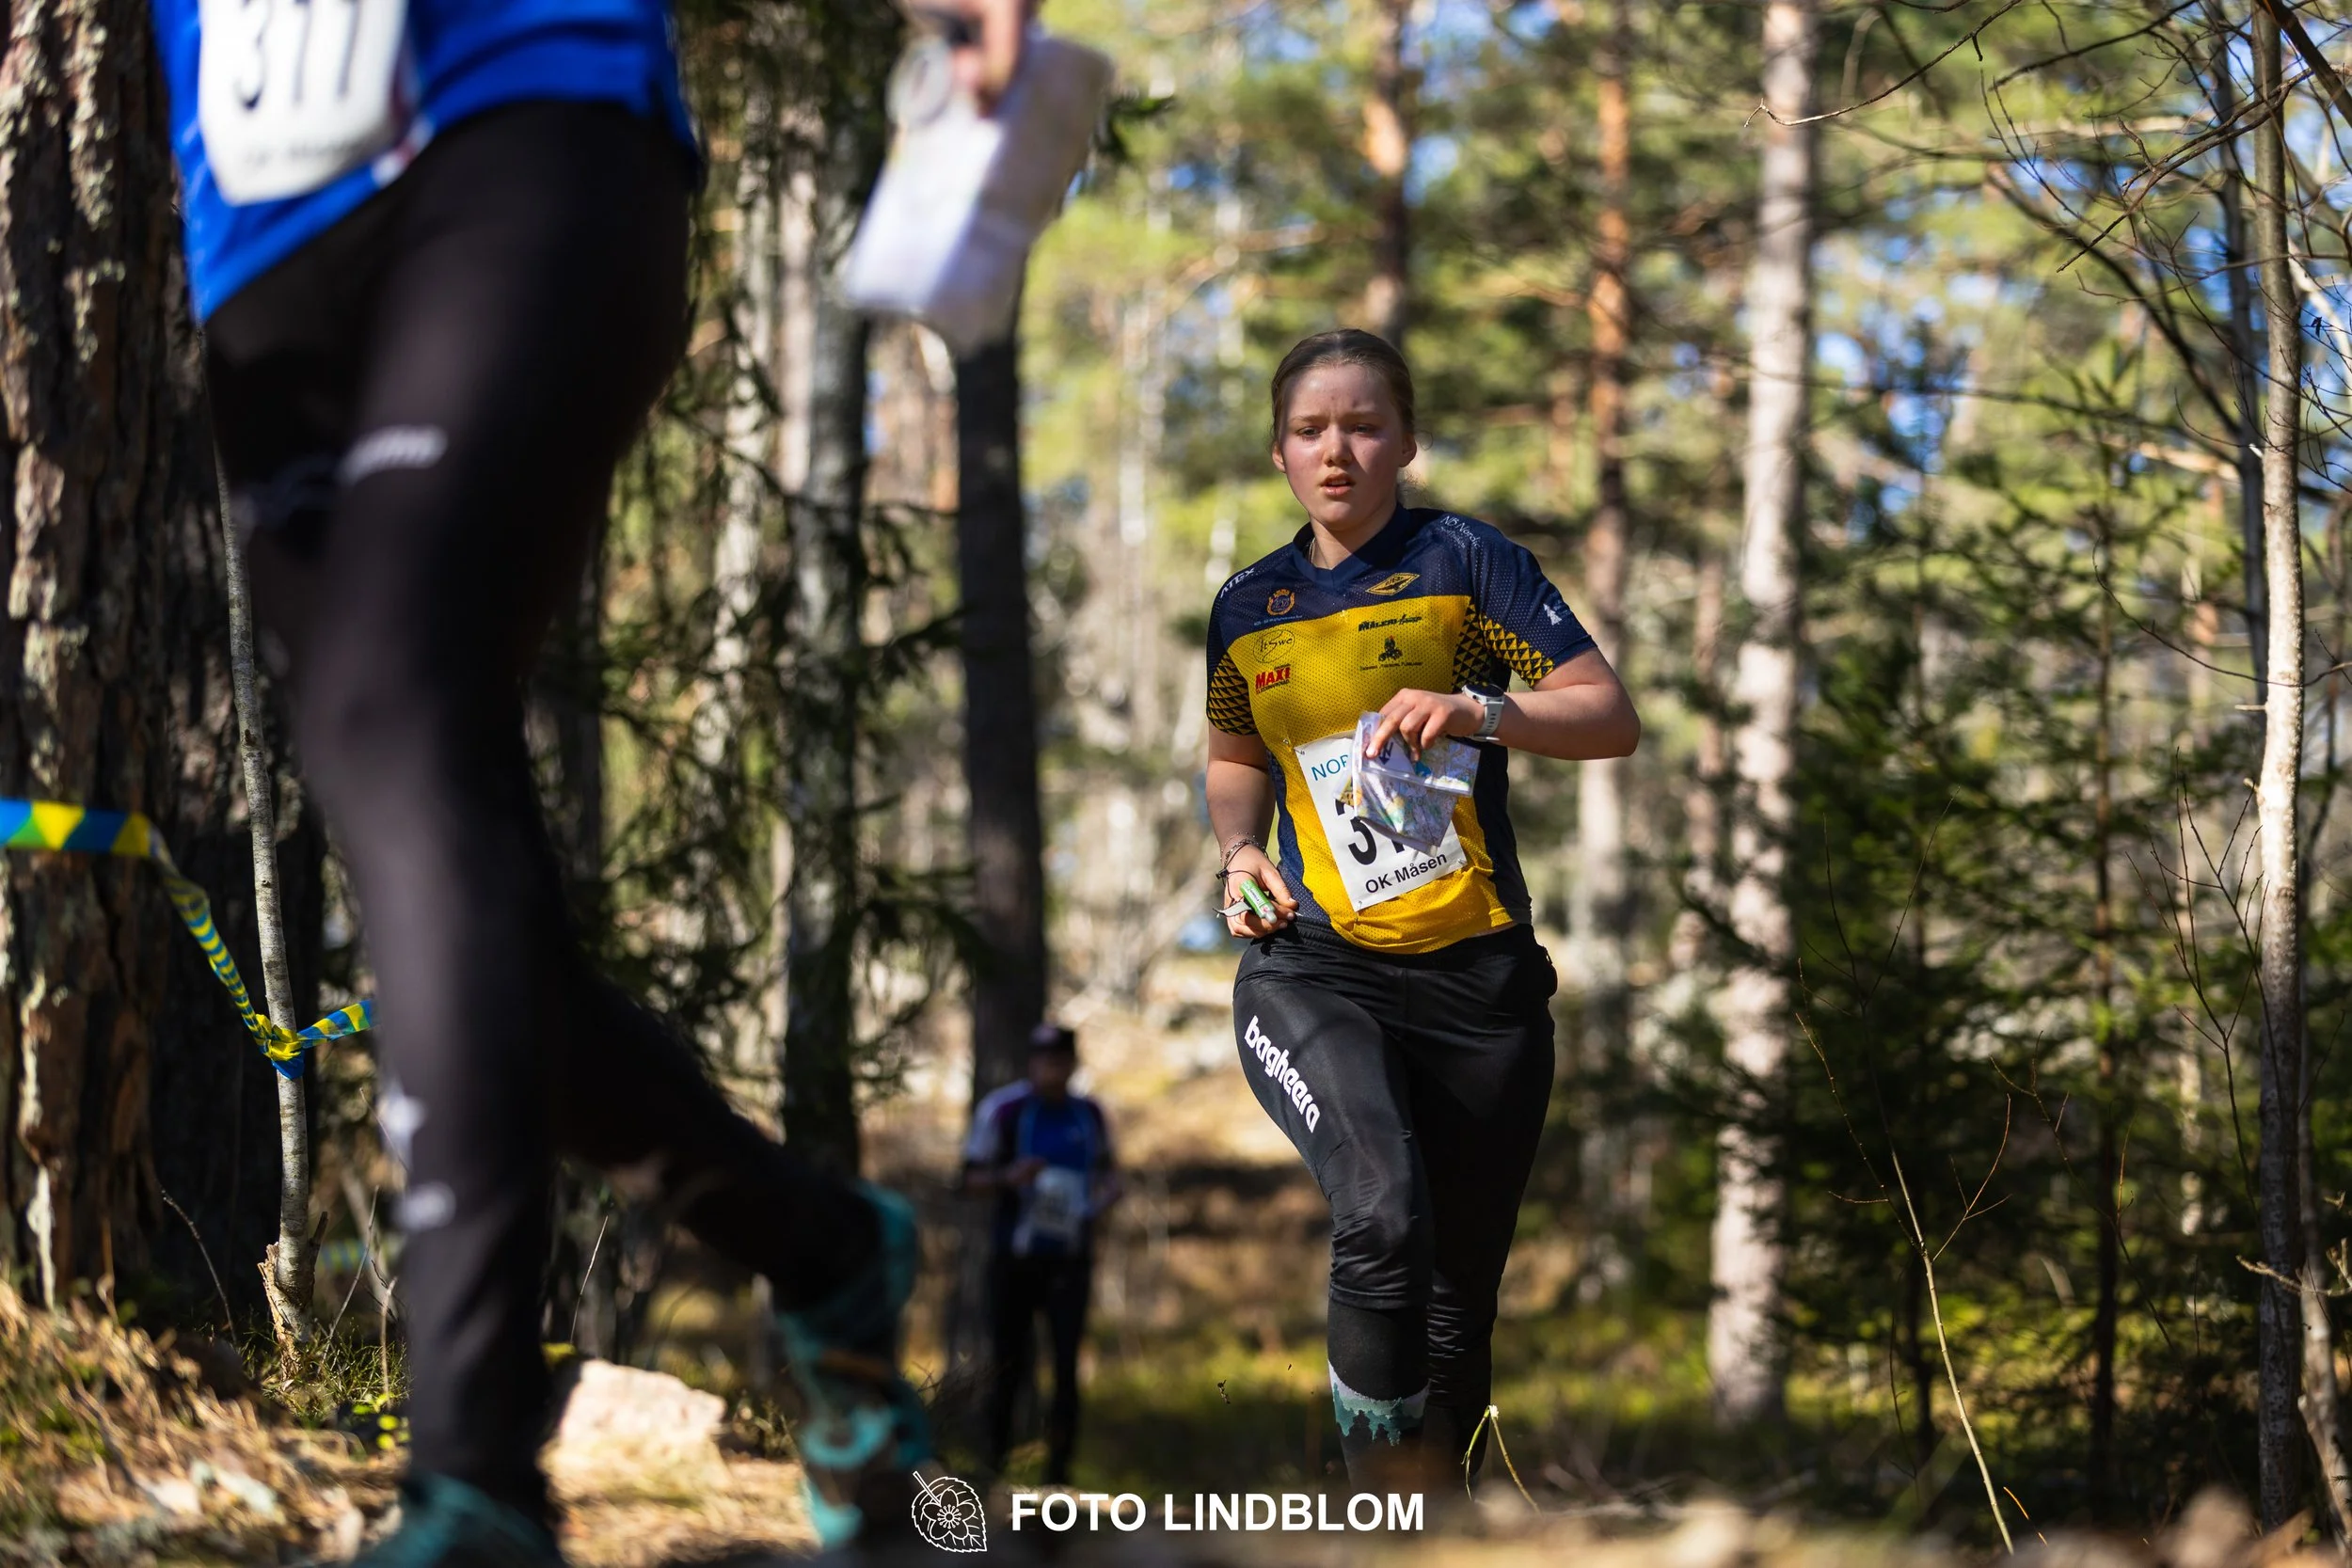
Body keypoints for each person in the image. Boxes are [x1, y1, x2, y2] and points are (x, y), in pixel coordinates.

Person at [145, 0, 1035, 1560]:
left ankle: (475, 1474)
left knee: (385, 708)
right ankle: (820, 1245)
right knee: (470, 915)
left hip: (521, 114)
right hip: (251, 227)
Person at [1202, 329, 1640, 1494]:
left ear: (1405, 440)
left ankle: (1436, 1522)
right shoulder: (1250, 602)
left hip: (1481, 986)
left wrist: (1479, 711)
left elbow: (1606, 715)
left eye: (1362, 424)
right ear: (1280, 452)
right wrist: (1241, 848)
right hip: (1317, 969)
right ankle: (1375, 1508)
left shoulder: (1468, 561)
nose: (1336, 449)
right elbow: (1233, 754)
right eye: (1310, 429)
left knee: (1454, 1306)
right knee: (1383, 1217)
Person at [961, 1023, 1122, 1484]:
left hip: (1070, 1259)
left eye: (1061, 1059)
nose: (1052, 1068)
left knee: (1067, 1367)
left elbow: (1111, 1174)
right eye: (1044, 1059)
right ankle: (991, 1469)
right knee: (1007, 1364)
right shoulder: (1004, 1110)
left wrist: (1105, 1197)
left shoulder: (1089, 1114)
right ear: (1031, 1062)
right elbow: (968, 1179)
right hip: (1014, 1260)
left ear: (1072, 1063)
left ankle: (1058, 1477)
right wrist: (1009, 1178)